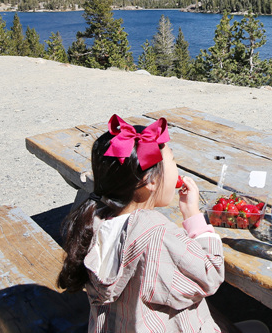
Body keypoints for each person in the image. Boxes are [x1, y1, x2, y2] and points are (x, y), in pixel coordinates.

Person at [57, 114, 230, 332]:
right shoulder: (156, 233)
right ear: (150, 180)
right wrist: (194, 217)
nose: (176, 169)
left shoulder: (95, 218)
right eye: (173, 161)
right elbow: (210, 274)